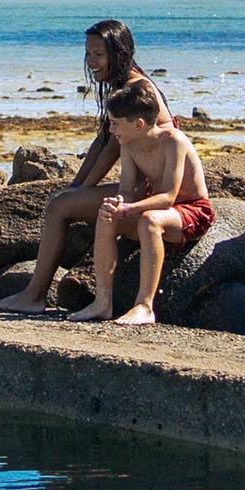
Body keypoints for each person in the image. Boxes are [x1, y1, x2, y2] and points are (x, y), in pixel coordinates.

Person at [0, 19, 177, 315]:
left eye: (99, 55)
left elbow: (112, 149)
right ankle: (35, 294)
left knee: (59, 207)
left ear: (120, 54)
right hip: (138, 188)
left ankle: (35, 295)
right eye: (88, 53)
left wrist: (82, 190)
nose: (91, 61)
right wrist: (77, 185)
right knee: (63, 199)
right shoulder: (122, 86)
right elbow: (102, 140)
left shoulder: (137, 90)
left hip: (149, 194)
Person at [68, 83, 213, 327]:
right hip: (157, 208)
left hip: (191, 210)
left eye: (116, 123)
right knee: (106, 216)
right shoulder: (129, 145)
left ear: (139, 124)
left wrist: (130, 209)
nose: (111, 130)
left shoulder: (174, 141)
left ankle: (145, 306)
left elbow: (168, 197)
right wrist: (118, 204)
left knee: (149, 221)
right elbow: (126, 189)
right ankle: (102, 302)